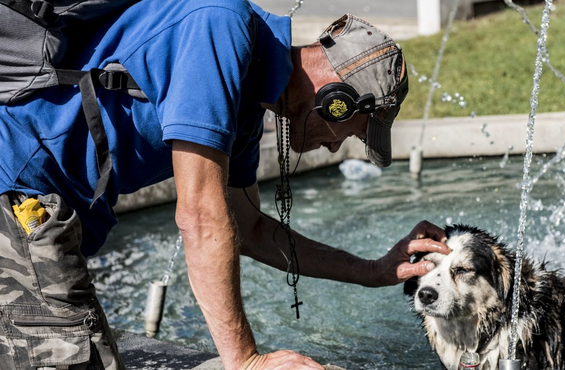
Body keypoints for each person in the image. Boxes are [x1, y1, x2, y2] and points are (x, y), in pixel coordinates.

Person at [0, 0, 450, 369]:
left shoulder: (248, 103)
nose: (335, 149)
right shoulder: (222, 27)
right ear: (337, 102)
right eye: (350, 131)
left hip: (35, 205)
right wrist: (246, 361)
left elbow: (248, 229)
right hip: (17, 192)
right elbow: (200, 217)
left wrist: (373, 271)